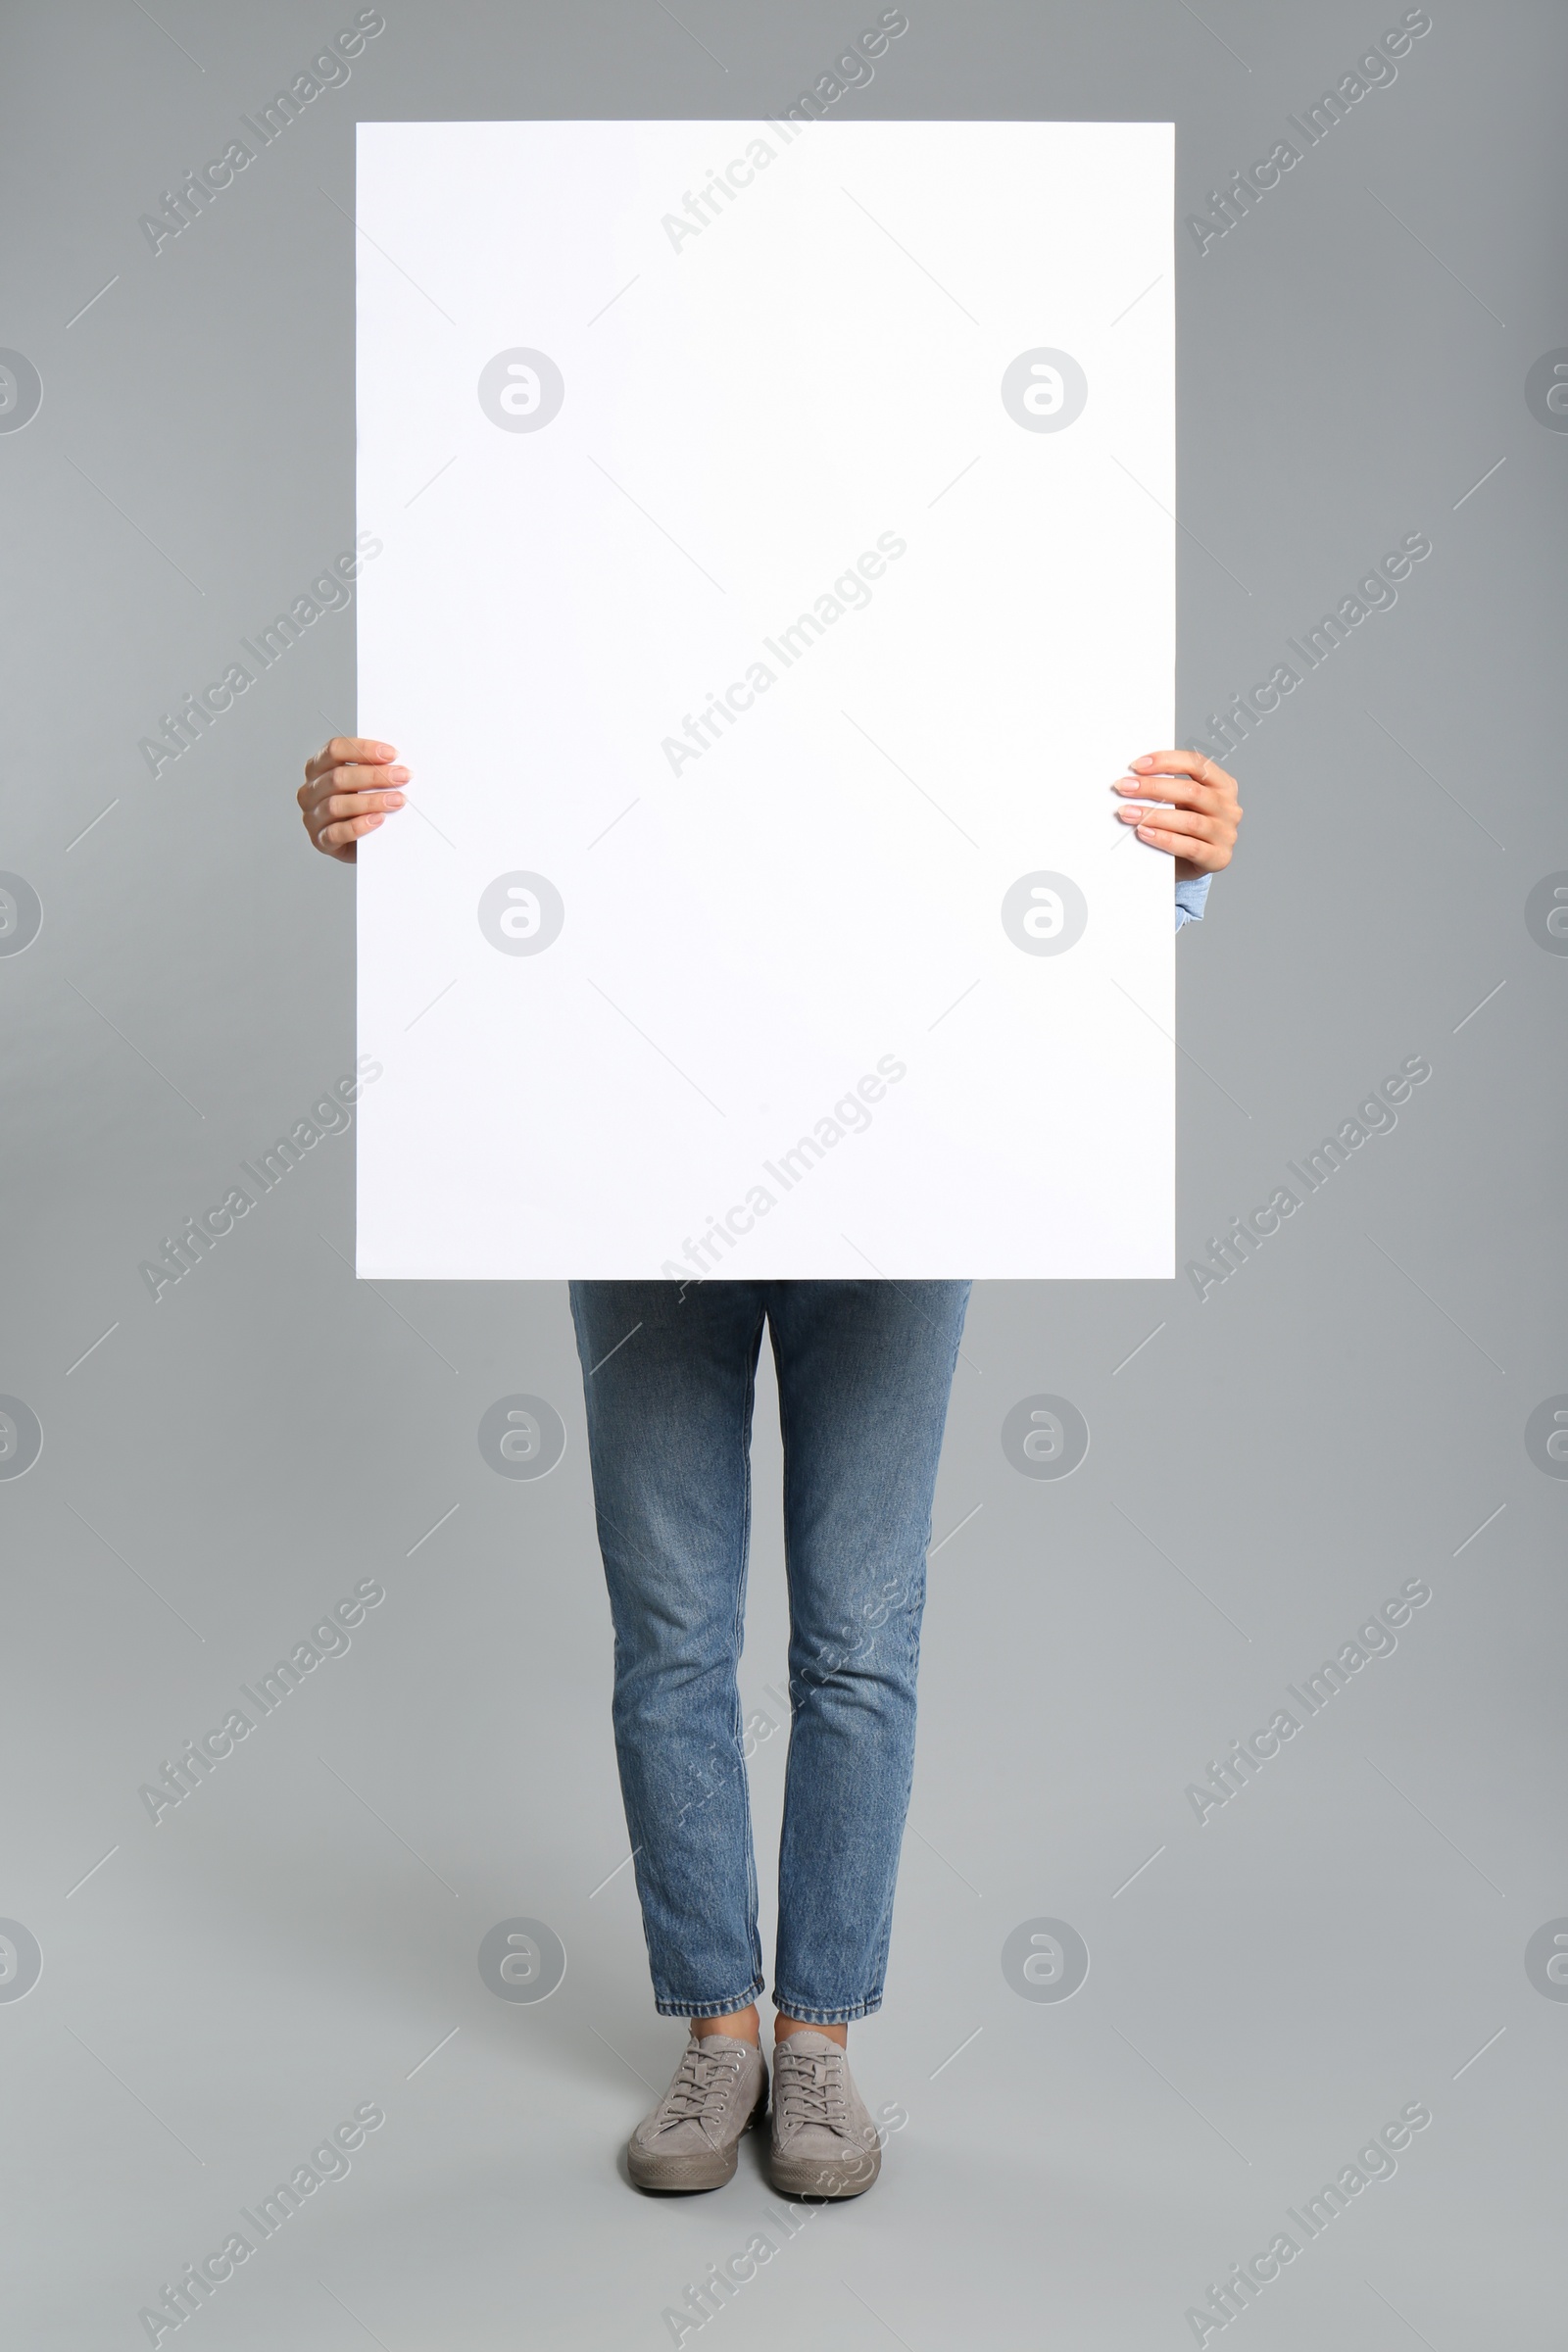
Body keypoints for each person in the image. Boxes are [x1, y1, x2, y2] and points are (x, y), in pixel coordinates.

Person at [299, 736, 1241, 2197]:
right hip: (644, 1160)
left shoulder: (965, 563)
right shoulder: (595, 557)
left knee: (858, 1638)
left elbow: (1023, 816)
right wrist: (399, 849)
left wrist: (1170, 872)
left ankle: (820, 2041)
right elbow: (532, 782)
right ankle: (717, 2027)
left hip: (903, 1167)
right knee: (671, 1630)